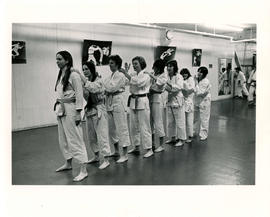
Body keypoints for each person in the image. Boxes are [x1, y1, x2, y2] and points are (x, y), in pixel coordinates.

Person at [54, 50, 88, 182]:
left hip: (72, 109)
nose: (57, 61)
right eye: (56, 59)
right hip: (61, 109)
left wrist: (79, 113)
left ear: (67, 60)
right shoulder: (61, 74)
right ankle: (68, 163)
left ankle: (83, 169)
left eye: (60, 59)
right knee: (63, 138)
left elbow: (79, 94)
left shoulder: (73, 75)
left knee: (75, 138)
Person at [81, 61, 111, 169]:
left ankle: (106, 158)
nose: (84, 71)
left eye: (87, 69)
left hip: (99, 109)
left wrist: (84, 82)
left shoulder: (99, 80)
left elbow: (94, 88)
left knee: (102, 135)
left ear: (92, 69)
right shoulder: (86, 82)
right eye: (83, 69)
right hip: (89, 110)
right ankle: (96, 155)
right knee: (91, 136)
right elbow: (86, 96)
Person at [122, 56, 153, 158]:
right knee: (133, 125)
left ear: (141, 64)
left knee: (144, 125)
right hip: (133, 100)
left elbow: (139, 83)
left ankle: (149, 148)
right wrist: (125, 73)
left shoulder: (146, 75)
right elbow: (126, 82)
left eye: (136, 63)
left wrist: (127, 74)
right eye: (133, 64)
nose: (134, 66)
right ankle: (136, 146)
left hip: (142, 100)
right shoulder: (133, 74)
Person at [103, 55, 131, 163]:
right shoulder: (110, 76)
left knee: (121, 128)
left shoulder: (120, 75)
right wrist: (105, 86)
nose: (110, 65)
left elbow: (111, 88)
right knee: (111, 129)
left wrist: (104, 85)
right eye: (109, 63)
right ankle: (116, 151)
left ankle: (125, 154)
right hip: (109, 102)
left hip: (118, 101)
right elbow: (106, 87)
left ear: (117, 64)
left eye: (112, 63)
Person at [145, 59, 168, 153]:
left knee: (158, 122)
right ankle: (153, 143)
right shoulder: (155, 74)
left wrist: (151, 75)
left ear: (159, 68)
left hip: (157, 99)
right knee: (150, 123)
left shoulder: (163, 75)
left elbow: (159, 84)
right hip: (149, 98)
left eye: (155, 68)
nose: (153, 69)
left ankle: (162, 145)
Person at [165, 60, 186, 147]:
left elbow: (179, 87)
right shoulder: (166, 76)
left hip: (177, 101)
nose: (169, 68)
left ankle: (181, 139)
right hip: (170, 101)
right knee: (170, 121)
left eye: (171, 66)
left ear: (175, 67)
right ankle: (172, 137)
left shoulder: (179, 76)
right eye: (168, 66)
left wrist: (169, 87)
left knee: (180, 121)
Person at [194, 66, 211, 141]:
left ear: (204, 74)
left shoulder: (205, 81)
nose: (199, 73)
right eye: (198, 71)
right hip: (197, 101)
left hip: (204, 102)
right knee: (194, 118)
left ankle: (204, 134)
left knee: (204, 118)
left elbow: (199, 93)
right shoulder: (197, 80)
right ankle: (192, 131)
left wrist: (195, 83)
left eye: (201, 72)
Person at [180, 68, 195, 143]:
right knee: (182, 120)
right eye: (182, 74)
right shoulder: (182, 80)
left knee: (189, 120)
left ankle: (190, 136)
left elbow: (191, 90)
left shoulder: (191, 79)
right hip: (183, 101)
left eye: (185, 73)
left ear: (188, 73)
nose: (184, 75)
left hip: (189, 101)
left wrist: (185, 92)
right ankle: (182, 136)